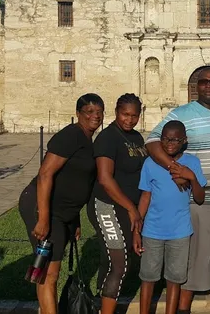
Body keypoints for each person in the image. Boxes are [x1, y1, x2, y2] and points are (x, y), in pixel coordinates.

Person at [145, 66, 210, 314]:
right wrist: (175, 168)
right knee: (194, 256)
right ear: (197, 86)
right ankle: (183, 308)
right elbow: (152, 141)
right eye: (203, 81)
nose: (208, 85)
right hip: (199, 198)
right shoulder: (181, 114)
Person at [19, 93, 104, 314]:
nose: (95, 116)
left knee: (47, 267)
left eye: (99, 111)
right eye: (89, 112)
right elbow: (45, 174)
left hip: (64, 213)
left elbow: (75, 180)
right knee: (49, 273)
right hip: (45, 209)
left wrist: (74, 219)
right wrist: (44, 218)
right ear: (78, 114)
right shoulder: (70, 136)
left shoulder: (86, 139)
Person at [135, 120, 207, 314]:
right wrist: (137, 225)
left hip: (180, 231)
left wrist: (191, 177)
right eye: (166, 139)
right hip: (152, 230)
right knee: (148, 277)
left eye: (175, 140)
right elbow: (145, 196)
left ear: (184, 140)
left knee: (174, 278)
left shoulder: (192, 162)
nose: (169, 143)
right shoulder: (151, 163)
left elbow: (200, 198)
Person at [86, 94, 147, 314]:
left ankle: (99, 306)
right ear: (116, 112)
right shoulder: (108, 138)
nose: (129, 120)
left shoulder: (137, 138)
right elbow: (104, 178)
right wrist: (132, 209)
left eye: (134, 115)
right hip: (106, 205)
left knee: (113, 260)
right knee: (119, 263)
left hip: (128, 206)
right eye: (125, 114)